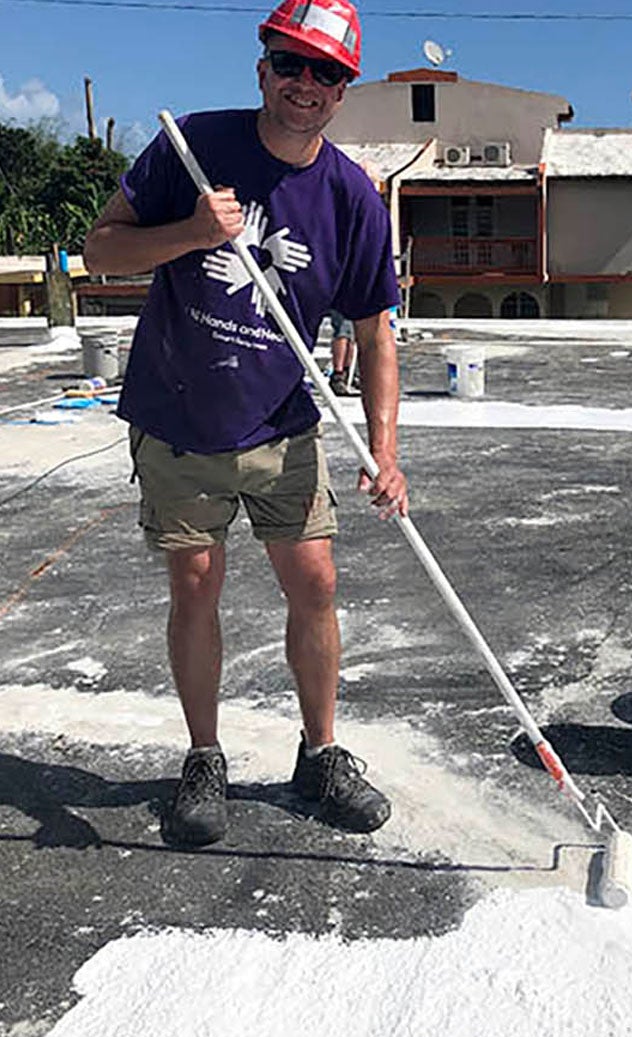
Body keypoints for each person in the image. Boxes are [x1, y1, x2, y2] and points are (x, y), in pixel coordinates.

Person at [81, 0, 403, 848]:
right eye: (290, 64)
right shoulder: (194, 145)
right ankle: (203, 757)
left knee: (317, 583)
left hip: (285, 427)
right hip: (178, 418)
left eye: (325, 72)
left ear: (343, 92)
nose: (306, 84)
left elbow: (374, 333)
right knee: (195, 586)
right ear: (262, 68)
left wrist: (385, 452)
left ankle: (320, 753)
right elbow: (99, 251)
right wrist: (190, 230)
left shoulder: (352, 198)